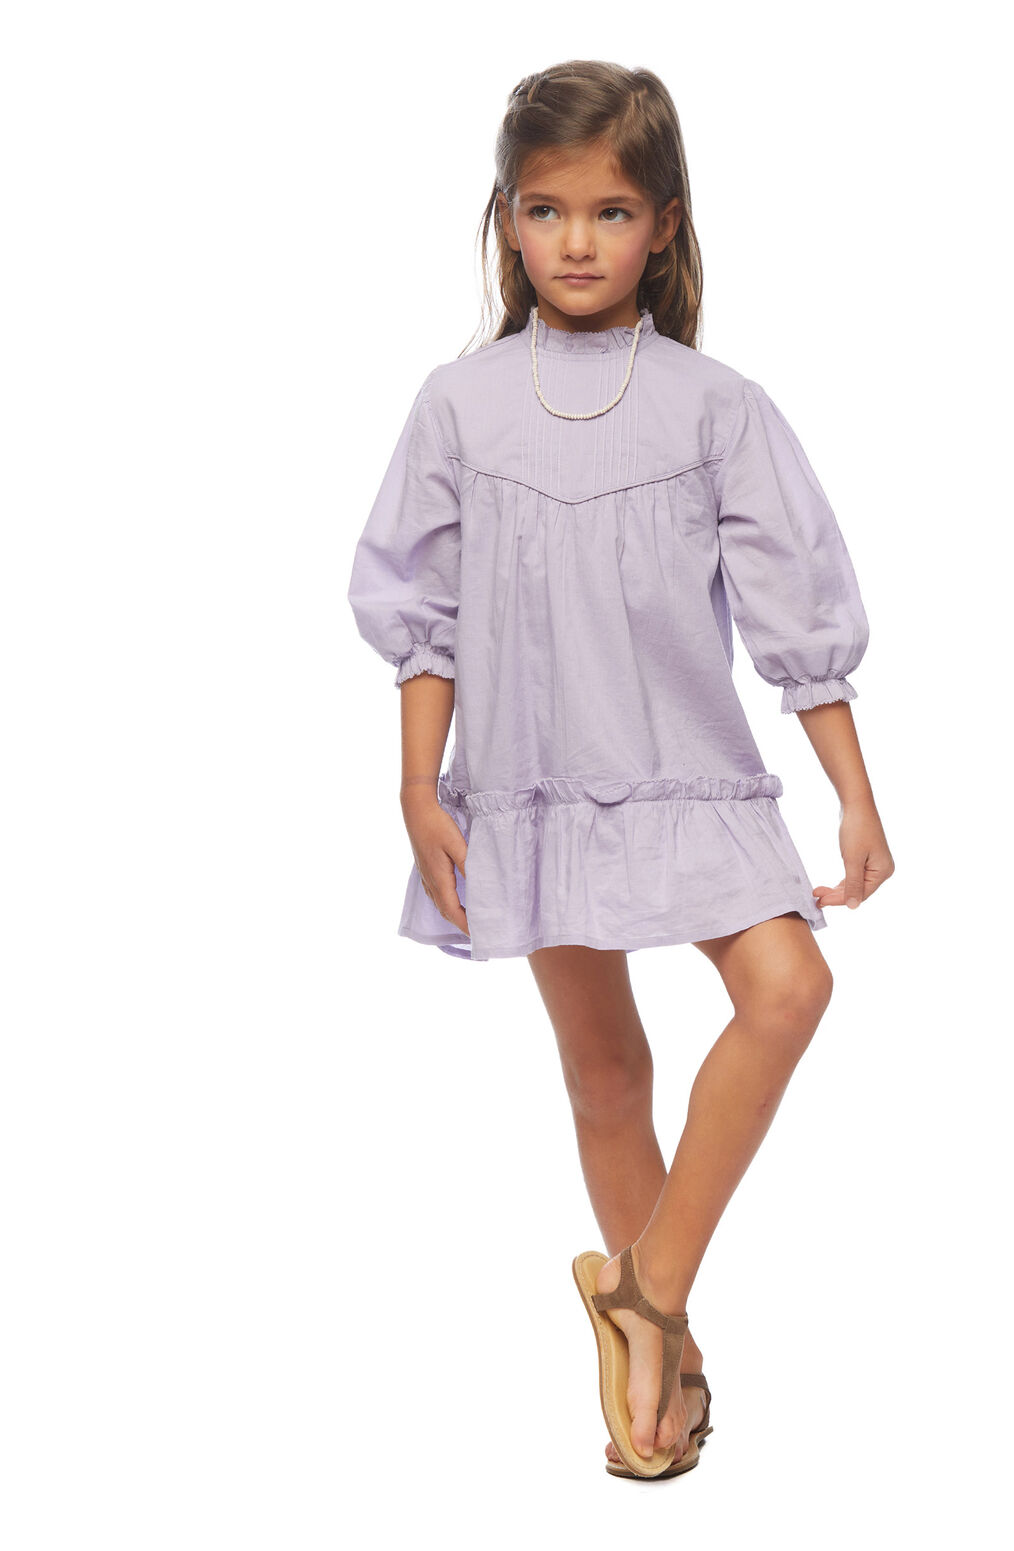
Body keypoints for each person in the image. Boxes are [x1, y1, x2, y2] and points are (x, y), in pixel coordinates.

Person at [347, 60, 895, 1479]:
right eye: (546, 210)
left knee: (790, 988)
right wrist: (418, 787)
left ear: (663, 225)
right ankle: (667, 1369)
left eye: (610, 211)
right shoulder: (459, 405)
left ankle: (642, 1289)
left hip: (688, 777)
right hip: (533, 785)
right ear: (506, 220)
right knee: (606, 1070)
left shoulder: (716, 405)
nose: (577, 241)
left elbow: (794, 609)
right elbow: (422, 613)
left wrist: (853, 790)